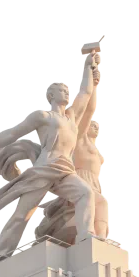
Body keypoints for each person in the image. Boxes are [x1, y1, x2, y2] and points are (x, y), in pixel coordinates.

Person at [0, 51, 101, 259]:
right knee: (22, 215)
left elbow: (86, 92)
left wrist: (89, 66)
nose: (66, 93)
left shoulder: (72, 118)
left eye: (67, 90)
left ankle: (85, 235)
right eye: (61, 90)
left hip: (65, 170)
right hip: (45, 169)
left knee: (86, 193)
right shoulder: (43, 116)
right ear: (51, 95)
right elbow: (12, 134)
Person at [36, 67, 109, 243]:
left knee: (100, 205)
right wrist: (95, 85)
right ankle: (90, 237)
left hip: (94, 183)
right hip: (79, 178)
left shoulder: (98, 153)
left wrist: (95, 83)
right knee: (95, 202)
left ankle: (101, 239)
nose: (95, 126)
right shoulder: (80, 138)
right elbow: (89, 109)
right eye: (92, 124)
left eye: (97, 126)